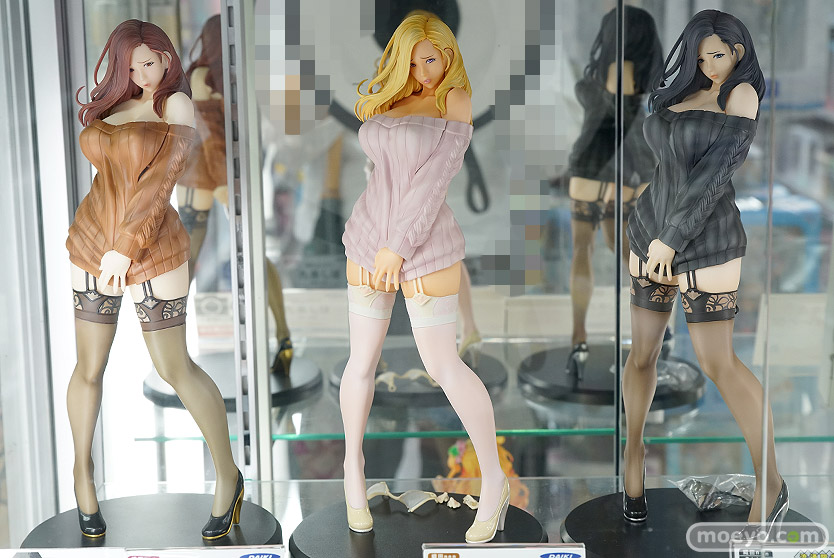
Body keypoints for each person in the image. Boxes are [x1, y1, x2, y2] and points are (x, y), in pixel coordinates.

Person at [67, 20, 242, 539]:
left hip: (152, 247)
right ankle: (81, 473)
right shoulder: (112, 106)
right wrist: (107, 247)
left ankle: (228, 475)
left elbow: (161, 181)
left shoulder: (176, 105)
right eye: (132, 65)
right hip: (91, 242)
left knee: (174, 368)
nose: (143, 73)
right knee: (88, 367)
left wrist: (124, 249)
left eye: (151, 61)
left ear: (168, 57)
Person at [340, 11, 508, 543]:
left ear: (448, 54)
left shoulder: (454, 100)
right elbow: (380, 172)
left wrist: (397, 246)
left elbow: (433, 182)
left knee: (442, 364)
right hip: (365, 239)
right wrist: (381, 242)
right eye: (412, 62)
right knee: (361, 363)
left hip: (425, 246)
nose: (422, 71)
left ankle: (495, 479)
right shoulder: (388, 97)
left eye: (430, 59)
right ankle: (352, 468)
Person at [622, 10, 788, 532]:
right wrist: (651, 228)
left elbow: (715, 174)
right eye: (699, 56)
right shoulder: (684, 92)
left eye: (717, 54)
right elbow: (661, 165)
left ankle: (771, 482)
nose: (708, 65)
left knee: (719, 364)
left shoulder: (742, 94)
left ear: (739, 50)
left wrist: (672, 237)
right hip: (648, 234)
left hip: (705, 242)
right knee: (642, 354)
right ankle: (632, 455)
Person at [177, 15, 293, 375]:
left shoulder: (202, 76)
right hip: (226, 172)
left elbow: (209, 135)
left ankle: (174, 346)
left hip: (202, 176)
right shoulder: (230, 77)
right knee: (253, 254)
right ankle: (283, 334)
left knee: (188, 260)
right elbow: (226, 135)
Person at [566, 6, 663, 378]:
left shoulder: (609, 70)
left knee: (585, 248)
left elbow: (605, 107)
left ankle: (579, 338)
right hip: (626, 165)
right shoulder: (643, 76)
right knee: (624, 247)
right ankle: (653, 328)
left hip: (591, 163)